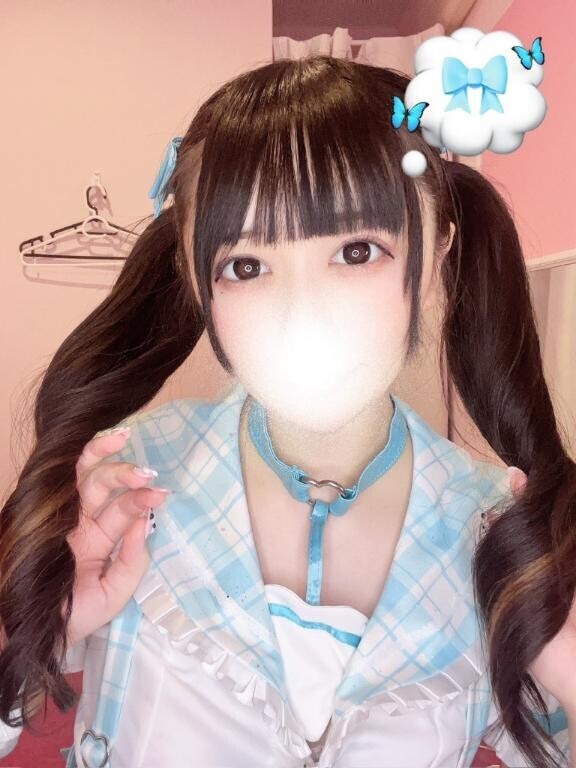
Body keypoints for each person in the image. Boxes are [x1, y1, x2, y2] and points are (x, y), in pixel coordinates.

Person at [0, 54, 574, 768]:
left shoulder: (498, 529)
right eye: (246, 266)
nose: (304, 311)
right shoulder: (124, 480)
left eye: (357, 251)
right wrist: (27, 627)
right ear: (196, 283)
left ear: (438, 259)